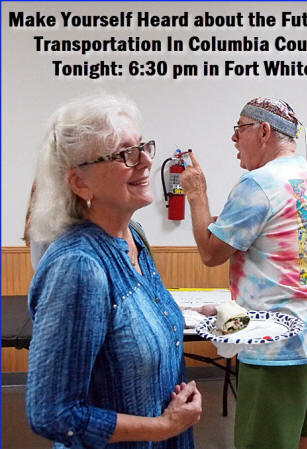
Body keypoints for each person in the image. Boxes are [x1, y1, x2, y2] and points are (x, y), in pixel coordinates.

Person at [26, 94, 201, 449]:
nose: (148, 160)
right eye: (125, 153)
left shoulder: (133, 236)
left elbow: (126, 322)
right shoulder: (79, 266)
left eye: (143, 146)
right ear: (80, 183)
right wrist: (164, 426)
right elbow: (53, 413)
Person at [180, 97, 307, 449]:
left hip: (279, 343)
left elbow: (211, 252)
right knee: (303, 434)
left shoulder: (257, 184)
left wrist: (197, 195)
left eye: (240, 129)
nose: (234, 139)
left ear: (264, 131)